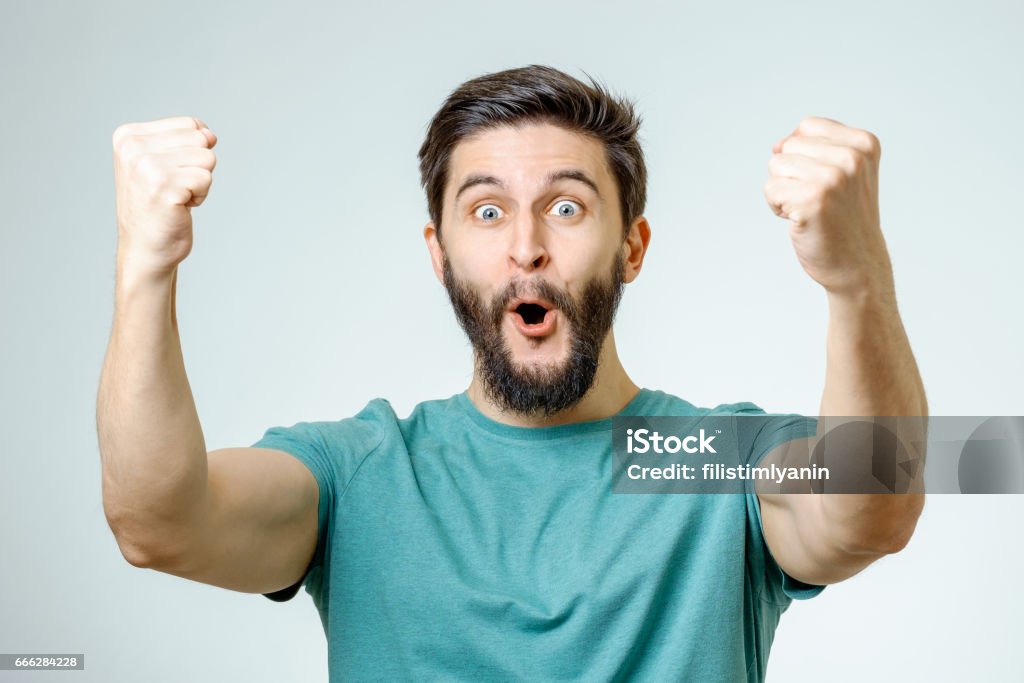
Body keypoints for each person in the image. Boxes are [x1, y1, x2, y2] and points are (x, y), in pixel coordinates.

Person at [97, 64, 927, 681]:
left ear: (631, 247)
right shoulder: (365, 473)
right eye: (486, 211)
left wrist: (859, 279)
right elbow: (158, 522)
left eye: (567, 207)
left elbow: (875, 504)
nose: (525, 244)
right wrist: (145, 266)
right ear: (440, 253)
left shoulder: (713, 459)